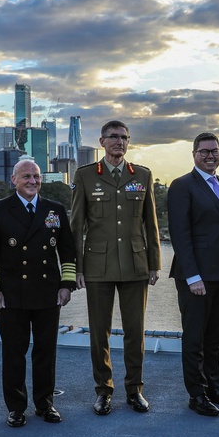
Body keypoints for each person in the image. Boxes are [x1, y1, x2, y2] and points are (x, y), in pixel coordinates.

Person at [70, 121, 161, 416]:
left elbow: (151, 224)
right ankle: (103, 390)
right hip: (98, 266)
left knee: (136, 331)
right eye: (113, 137)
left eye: (124, 137)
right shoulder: (85, 176)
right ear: (102, 141)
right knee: (100, 332)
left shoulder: (142, 175)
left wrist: (154, 263)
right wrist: (76, 268)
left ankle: (134, 389)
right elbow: (76, 226)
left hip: (136, 265)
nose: (119, 142)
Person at [0, 160, 77, 428]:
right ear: (14, 180)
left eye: (36, 176)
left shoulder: (54, 209)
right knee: (14, 353)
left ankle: (45, 403)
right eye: (26, 176)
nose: (32, 181)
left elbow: (67, 250)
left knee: (46, 352)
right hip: (11, 295)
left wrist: (66, 284)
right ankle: (16, 407)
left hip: (48, 294)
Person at [168, 132, 219, 417]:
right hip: (196, 277)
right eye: (204, 151)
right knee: (195, 338)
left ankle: (214, 388)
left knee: (215, 337)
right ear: (194, 154)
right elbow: (180, 235)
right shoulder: (182, 186)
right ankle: (196, 395)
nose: (210, 156)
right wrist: (192, 276)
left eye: (215, 151)